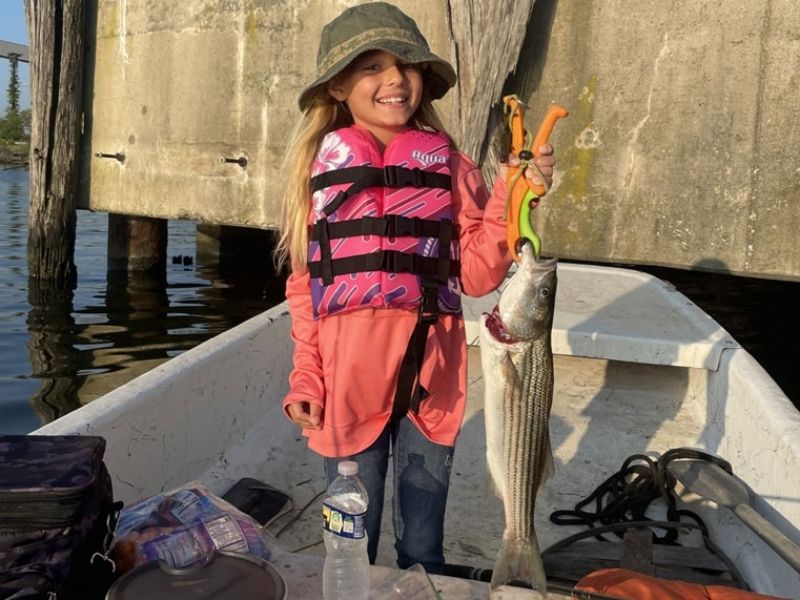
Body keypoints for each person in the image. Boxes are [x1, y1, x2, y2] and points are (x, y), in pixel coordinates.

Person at [275, 1, 555, 574]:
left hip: (433, 380)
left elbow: (477, 275)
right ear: (337, 85)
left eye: (407, 64)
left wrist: (513, 192)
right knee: (349, 549)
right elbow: (307, 291)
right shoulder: (317, 170)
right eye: (372, 66)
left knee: (424, 550)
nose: (395, 79)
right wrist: (306, 375)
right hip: (346, 385)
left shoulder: (450, 165)